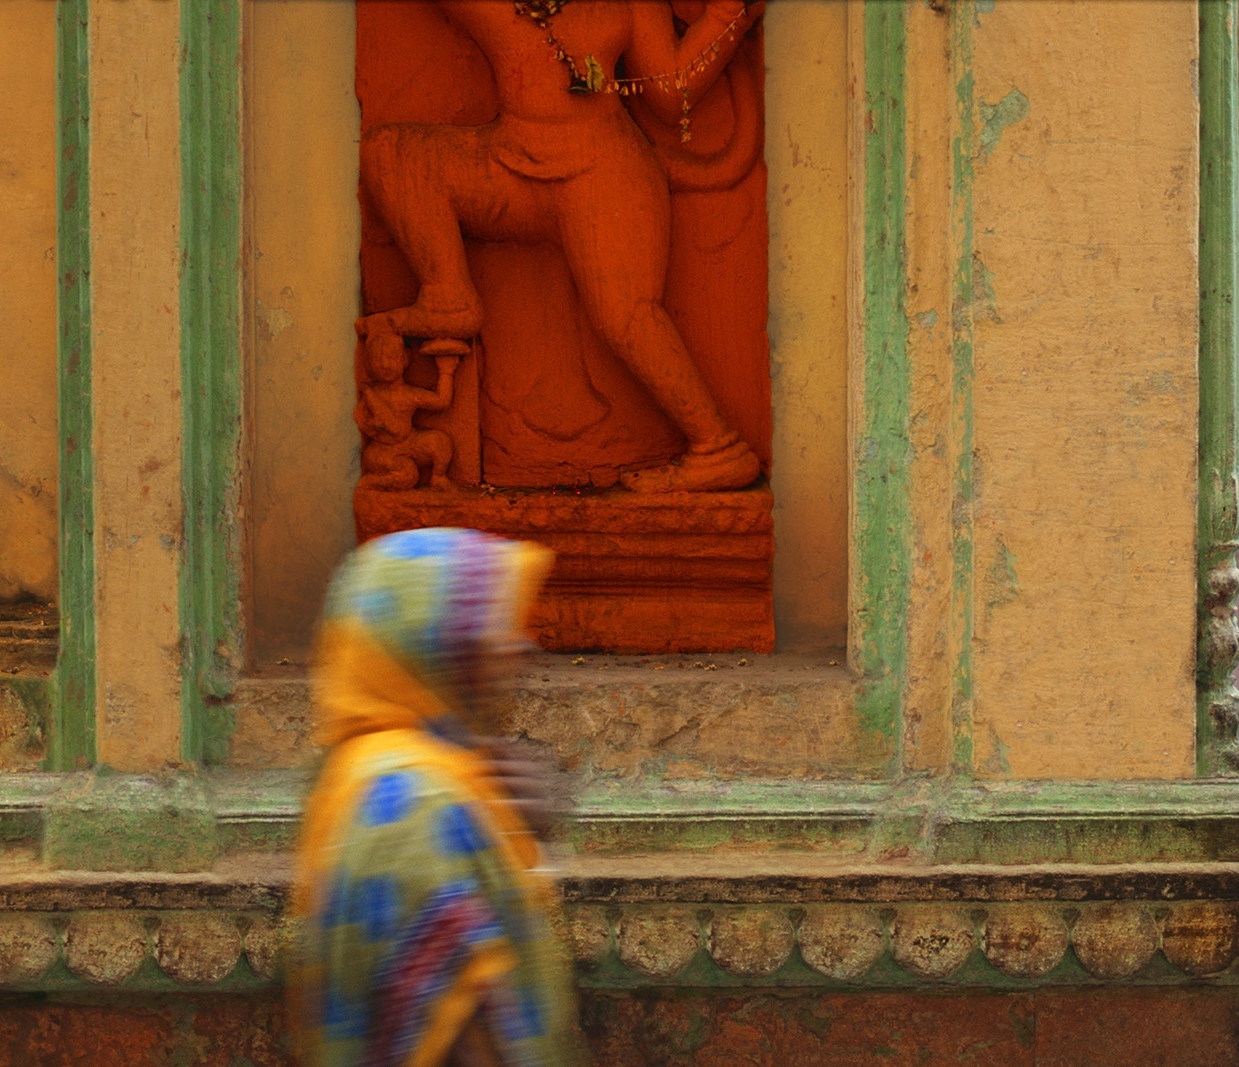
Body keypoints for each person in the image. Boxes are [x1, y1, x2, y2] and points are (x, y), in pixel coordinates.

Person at [359, 0, 766, 493]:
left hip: (603, 168)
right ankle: (447, 292)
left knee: (628, 318)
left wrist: (727, 17)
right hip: (509, 162)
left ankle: (718, 446)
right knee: (393, 155)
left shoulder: (629, 6)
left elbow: (671, 92)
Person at [290, 527, 584, 1066]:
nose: (519, 644)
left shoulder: (396, 769)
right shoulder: (414, 797)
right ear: (434, 644)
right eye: (493, 627)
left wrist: (523, 833)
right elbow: (459, 1020)